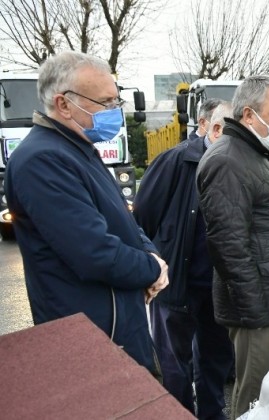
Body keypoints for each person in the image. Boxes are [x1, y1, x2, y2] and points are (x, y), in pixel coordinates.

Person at [2, 51, 169, 373]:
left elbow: (124, 221)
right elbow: (94, 252)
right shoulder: (42, 160)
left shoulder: (77, 150)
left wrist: (152, 256)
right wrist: (152, 270)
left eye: (116, 102)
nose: (115, 111)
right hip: (89, 336)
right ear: (64, 104)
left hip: (117, 321)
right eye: (106, 102)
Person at [196, 75, 269, 419]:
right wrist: (255, 311)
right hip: (258, 307)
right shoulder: (228, 160)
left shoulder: (251, 152)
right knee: (256, 395)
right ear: (249, 115)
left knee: (267, 389)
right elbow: (228, 245)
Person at [133, 101, 234, 419]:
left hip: (218, 287)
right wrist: (157, 262)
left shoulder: (235, 163)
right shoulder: (174, 161)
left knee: (214, 358)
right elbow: (143, 218)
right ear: (213, 128)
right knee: (174, 363)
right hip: (177, 283)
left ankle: (211, 413)